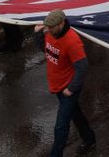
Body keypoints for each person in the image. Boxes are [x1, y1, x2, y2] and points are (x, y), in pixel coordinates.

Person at [35, 10, 96, 157]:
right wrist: (37, 34)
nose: (47, 30)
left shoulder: (72, 41)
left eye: (51, 27)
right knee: (75, 114)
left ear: (61, 24)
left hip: (68, 88)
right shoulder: (50, 32)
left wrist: (71, 88)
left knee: (61, 125)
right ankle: (89, 139)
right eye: (46, 26)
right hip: (57, 85)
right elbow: (46, 50)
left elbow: (82, 67)